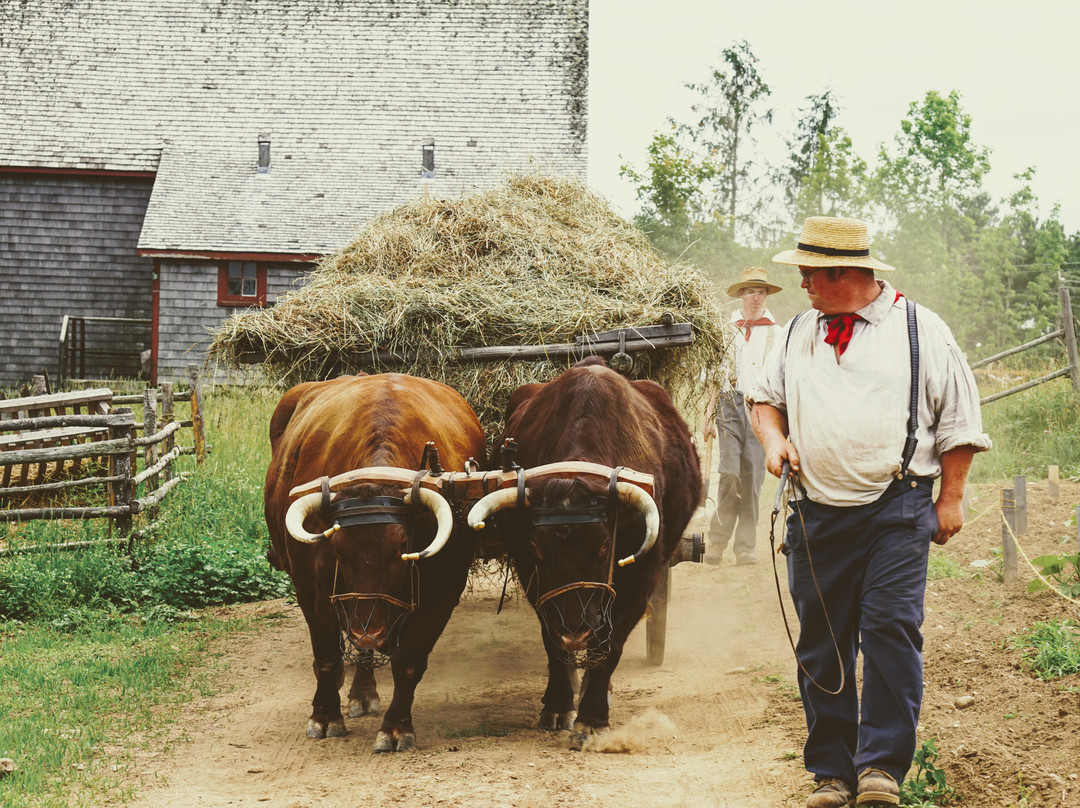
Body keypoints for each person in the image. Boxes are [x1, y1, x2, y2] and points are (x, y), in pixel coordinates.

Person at [744, 217, 990, 808]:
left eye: (809, 272)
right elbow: (764, 400)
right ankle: (831, 772)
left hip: (897, 509)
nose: (801, 281)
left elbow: (959, 420)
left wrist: (950, 498)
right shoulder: (798, 330)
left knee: (890, 633)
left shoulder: (919, 329)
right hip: (815, 514)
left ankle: (880, 768)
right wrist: (774, 442)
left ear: (845, 273)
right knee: (822, 645)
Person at [702, 266, 783, 566]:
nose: (756, 297)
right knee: (729, 472)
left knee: (752, 477)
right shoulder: (726, 328)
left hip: (761, 408)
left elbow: (783, 379)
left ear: (766, 295)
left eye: (760, 291)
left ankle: (745, 547)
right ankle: (717, 541)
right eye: (750, 291)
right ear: (741, 295)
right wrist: (708, 414)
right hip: (728, 405)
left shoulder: (777, 332)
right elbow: (714, 374)